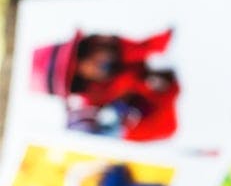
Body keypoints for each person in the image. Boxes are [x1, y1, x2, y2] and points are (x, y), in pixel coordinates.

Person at [30, 29, 180, 141]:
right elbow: (170, 129)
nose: (90, 67)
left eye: (83, 54)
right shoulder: (118, 113)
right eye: (78, 78)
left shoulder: (135, 37)